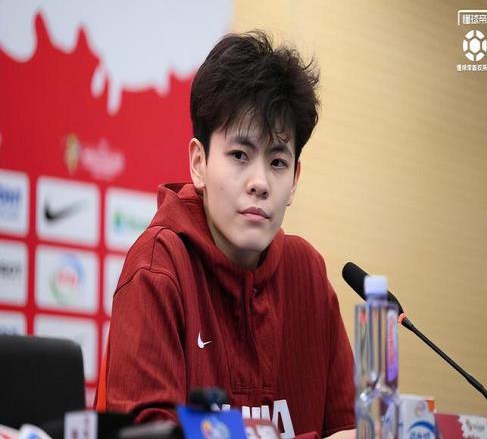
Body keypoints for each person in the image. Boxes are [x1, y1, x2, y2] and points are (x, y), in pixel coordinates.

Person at [96, 31, 355, 438]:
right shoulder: (158, 267)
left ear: (294, 180)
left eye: (278, 162)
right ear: (199, 163)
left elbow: (352, 426)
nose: (260, 183)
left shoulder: (307, 273)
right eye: (239, 155)